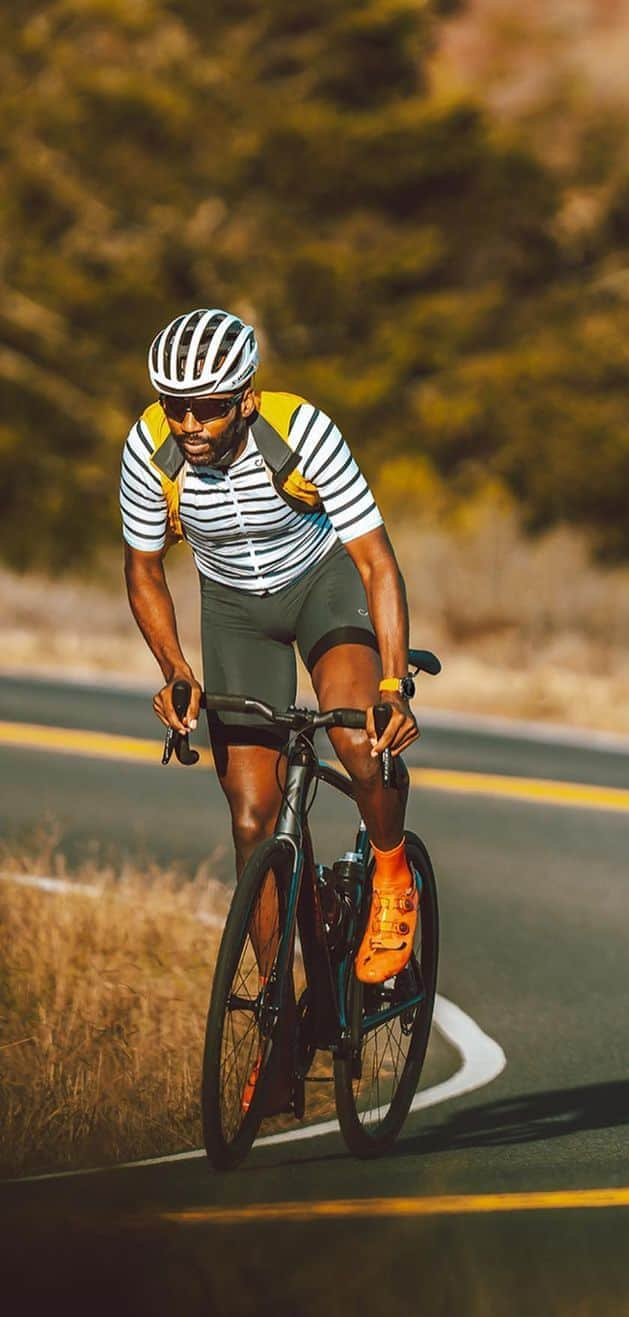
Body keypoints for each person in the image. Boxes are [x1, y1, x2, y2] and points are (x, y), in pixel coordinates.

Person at [121, 307, 420, 1111]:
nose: (189, 423)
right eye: (175, 405)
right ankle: (280, 1020)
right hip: (234, 609)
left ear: (246, 399)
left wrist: (392, 685)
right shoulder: (150, 449)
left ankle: (391, 872)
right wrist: (176, 669)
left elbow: (376, 561)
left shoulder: (303, 431)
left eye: (209, 406)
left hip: (323, 586)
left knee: (358, 743)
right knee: (253, 818)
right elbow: (145, 568)